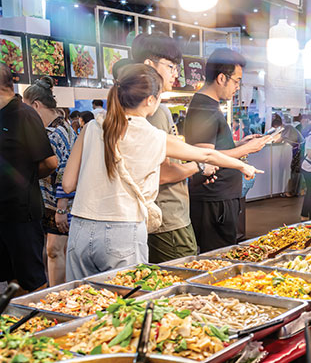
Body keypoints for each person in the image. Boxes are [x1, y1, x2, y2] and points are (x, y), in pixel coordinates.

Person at [62, 64, 260, 280]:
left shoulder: (92, 127)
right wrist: (243, 165)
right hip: (122, 230)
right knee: (126, 306)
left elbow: (68, 184)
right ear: (150, 100)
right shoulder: (152, 135)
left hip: (80, 229)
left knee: (81, 305)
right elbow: (206, 156)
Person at [0, 63, 58, 292]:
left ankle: (41, 321)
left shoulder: (24, 114)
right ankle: (19, 323)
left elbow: (50, 162)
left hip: (20, 213)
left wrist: (25, 180)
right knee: (9, 277)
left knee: (32, 278)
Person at [184, 48, 271, 253]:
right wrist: (246, 149)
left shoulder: (210, 106)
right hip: (214, 201)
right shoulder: (204, 108)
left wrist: (240, 145)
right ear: (222, 78)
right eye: (236, 81)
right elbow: (205, 159)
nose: (237, 87)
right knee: (217, 259)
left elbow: (213, 150)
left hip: (221, 199)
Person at [132, 33, 201, 263]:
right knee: (184, 287)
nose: (176, 74)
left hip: (160, 218)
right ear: (149, 65)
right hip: (168, 219)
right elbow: (163, 173)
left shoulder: (136, 107)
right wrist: (199, 165)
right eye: (171, 66)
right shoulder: (153, 110)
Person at [23, 77, 76, 286]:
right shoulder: (62, 125)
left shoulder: (55, 132)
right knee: (57, 250)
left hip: (60, 202)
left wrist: (61, 208)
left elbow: (64, 168)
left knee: (53, 251)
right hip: (58, 201)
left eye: (26, 108)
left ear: (35, 105)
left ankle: (56, 298)